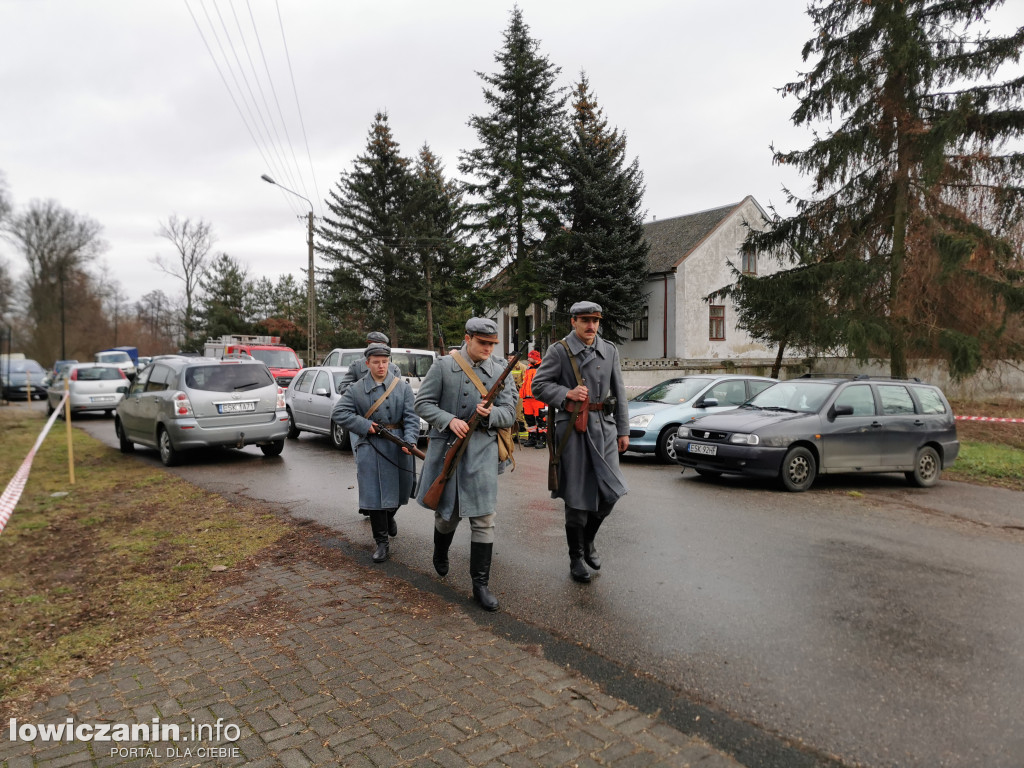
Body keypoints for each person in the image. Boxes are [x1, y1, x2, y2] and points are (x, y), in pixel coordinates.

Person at [415, 317, 517, 611]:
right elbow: (422, 403)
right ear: (467, 337)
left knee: (484, 519)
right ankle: (440, 551)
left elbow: (511, 412)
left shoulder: (501, 370)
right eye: (482, 343)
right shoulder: (444, 366)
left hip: (483, 454)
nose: (488, 349)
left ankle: (480, 585)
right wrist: (450, 421)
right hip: (449, 450)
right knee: (447, 516)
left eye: (492, 344)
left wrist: (490, 415)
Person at [532, 301, 629, 584]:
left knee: (611, 493)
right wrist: (567, 393)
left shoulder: (609, 349)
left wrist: (623, 430)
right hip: (573, 430)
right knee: (576, 499)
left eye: (595, 321)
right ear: (573, 321)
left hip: (605, 430)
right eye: (585, 320)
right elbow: (539, 385)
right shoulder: (559, 351)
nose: (591, 326)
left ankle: (588, 540)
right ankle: (575, 556)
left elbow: (620, 392)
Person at [332, 344, 420, 563]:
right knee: (374, 495)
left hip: (398, 444)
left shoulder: (402, 388)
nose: (381, 366)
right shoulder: (356, 389)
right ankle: (381, 543)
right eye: (376, 362)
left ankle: (390, 516)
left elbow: (411, 418)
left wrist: (410, 441)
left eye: (385, 361)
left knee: (403, 489)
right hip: (370, 446)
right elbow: (339, 413)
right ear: (367, 363)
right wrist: (363, 424)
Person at [337, 331, 402, 395]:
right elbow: (343, 388)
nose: (381, 366)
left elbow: (399, 392)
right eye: (374, 346)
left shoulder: (394, 369)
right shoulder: (356, 366)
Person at [521, 349, 547, 448]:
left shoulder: (542, 368)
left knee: (541, 420)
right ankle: (532, 438)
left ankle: (542, 440)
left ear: (535, 358)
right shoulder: (528, 368)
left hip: (538, 398)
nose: (528, 359)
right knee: (529, 420)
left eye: (530, 357)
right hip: (527, 399)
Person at [507, 352, 529, 443]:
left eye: (511, 358)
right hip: (510, 394)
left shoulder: (523, 367)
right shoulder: (507, 367)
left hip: (519, 395)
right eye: (508, 358)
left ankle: (523, 436)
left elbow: (526, 380)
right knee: (512, 415)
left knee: (520, 416)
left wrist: (518, 387)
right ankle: (513, 435)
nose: (509, 360)